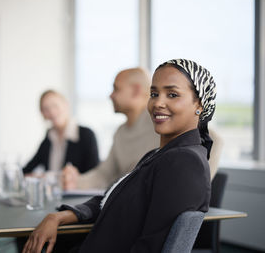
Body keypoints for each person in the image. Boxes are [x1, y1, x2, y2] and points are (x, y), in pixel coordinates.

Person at [22, 59, 216, 253]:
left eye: (172, 94)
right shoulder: (158, 155)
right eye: (154, 94)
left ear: (199, 104)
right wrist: (58, 216)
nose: (158, 103)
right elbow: (112, 196)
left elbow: (150, 247)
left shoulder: (184, 163)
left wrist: (204, 176)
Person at [62, 68, 222, 190]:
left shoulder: (163, 122)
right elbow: (105, 174)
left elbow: (214, 139)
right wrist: (76, 180)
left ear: (136, 90)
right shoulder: (120, 132)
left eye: (116, 89)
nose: (111, 95)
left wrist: (197, 186)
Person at [22, 90, 99, 175]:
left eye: (55, 106)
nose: (51, 112)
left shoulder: (86, 135)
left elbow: (94, 174)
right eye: (45, 109)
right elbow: (27, 169)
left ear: (66, 105)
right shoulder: (49, 137)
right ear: (42, 114)